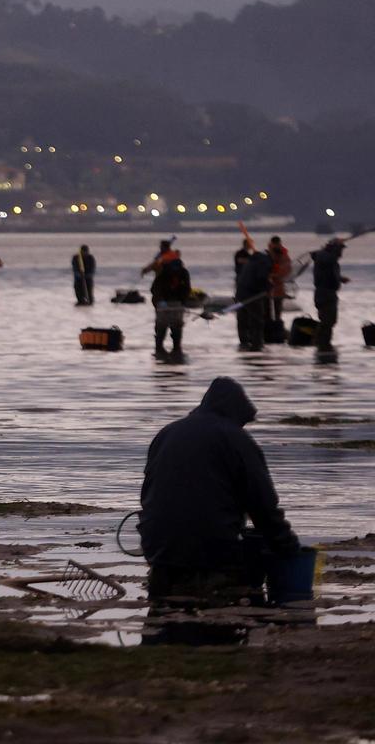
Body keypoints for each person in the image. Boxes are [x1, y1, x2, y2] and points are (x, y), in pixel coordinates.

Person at [140, 377, 300, 603]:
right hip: (211, 553)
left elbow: (147, 496)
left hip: (158, 552)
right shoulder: (236, 439)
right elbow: (263, 507)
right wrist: (289, 549)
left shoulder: (166, 433)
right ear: (236, 413)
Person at [150, 248, 191, 357]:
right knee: (162, 328)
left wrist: (182, 302)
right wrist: (160, 302)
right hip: (164, 304)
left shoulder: (183, 272)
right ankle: (160, 349)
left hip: (176, 303)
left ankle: (175, 349)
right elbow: (155, 289)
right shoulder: (163, 272)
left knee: (175, 328)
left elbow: (186, 289)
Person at [312, 238, 349, 353]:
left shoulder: (328, 258)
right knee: (327, 321)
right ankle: (322, 345)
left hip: (329, 294)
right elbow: (329, 260)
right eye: (339, 250)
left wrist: (340, 279)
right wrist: (336, 246)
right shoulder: (324, 256)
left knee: (330, 321)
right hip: (324, 294)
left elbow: (329, 273)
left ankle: (323, 344)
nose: (341, 253)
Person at [236, 247, 272, 351]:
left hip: (240, 294)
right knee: (257, 320)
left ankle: (244, 343)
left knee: (242, 320)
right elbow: (261, 278)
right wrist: (268, 287)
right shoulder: (264, 262)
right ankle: (257, 344)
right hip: (252, 296)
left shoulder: (252, 261)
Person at [267, 236, 292, 323]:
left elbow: (287, 270)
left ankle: (276, 326)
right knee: (267, 312)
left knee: (277, 311)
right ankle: (270, 327)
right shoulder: (268, 254)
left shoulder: (284, 255)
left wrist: (275, 275)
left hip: (278, 287)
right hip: (267, 288)